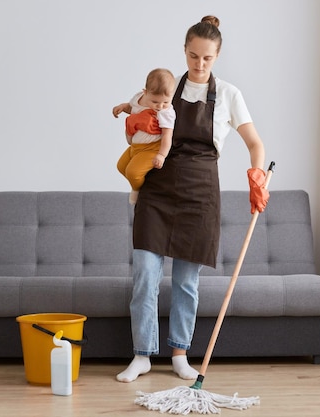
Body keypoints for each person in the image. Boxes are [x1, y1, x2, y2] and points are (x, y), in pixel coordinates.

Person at [112, 15, 270, 383]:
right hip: (159, 188)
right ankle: (142, 355)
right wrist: (131, 125)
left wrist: (257, 175)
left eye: (207, 58)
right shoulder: (167, 88)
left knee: (186, 282)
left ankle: (180, 353)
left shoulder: (230, 94)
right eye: (193, 56)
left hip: (200, 194)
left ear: (217, 56)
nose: (199, 65)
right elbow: (137, 123)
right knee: (145, 276)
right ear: (185, 51)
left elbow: (255, 144)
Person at [114, 68, 176, 205]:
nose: (160, 106)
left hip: (152, 148)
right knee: (121, 166)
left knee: (132, 173)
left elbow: (167, 136)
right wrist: (123, 107)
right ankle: (144, 185)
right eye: (155, 102)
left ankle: (138, 191)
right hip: (136, 146)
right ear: (145, 92)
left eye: (166, 102)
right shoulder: (138, 99)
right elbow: (133, 108)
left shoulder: (166, 113)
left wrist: (161, 155)